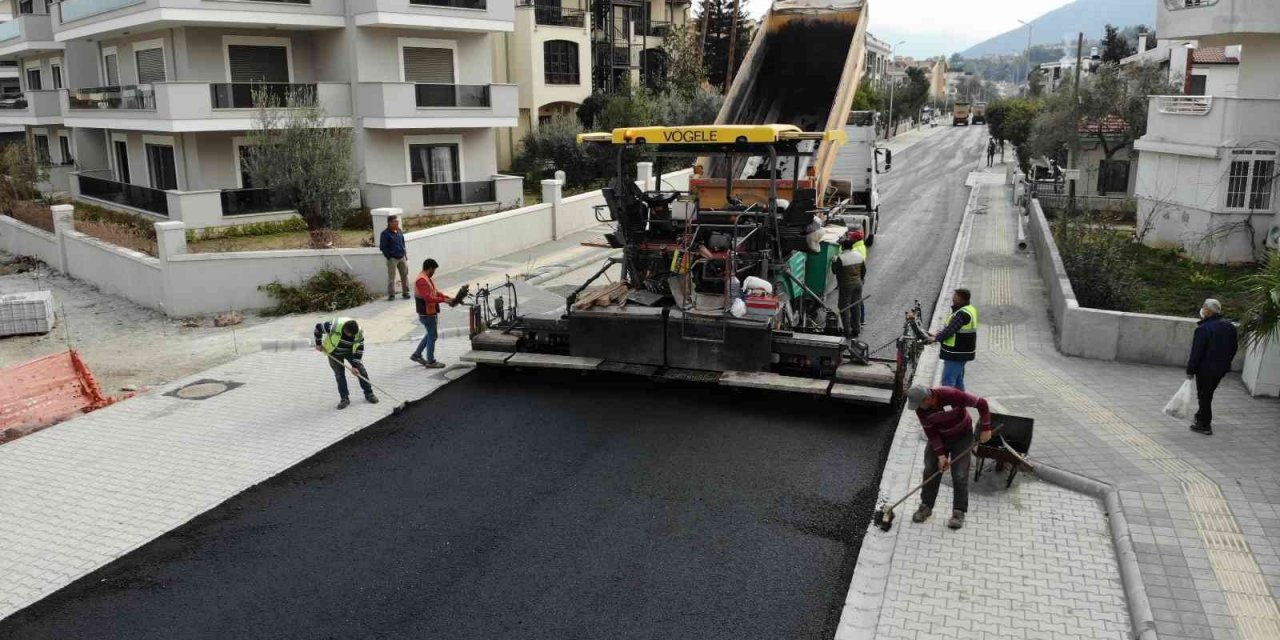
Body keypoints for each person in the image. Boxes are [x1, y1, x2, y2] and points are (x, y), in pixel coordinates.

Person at [905, 385, 993, 530]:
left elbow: (981, 403)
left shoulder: (951, 395)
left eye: (919, 404)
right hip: (940, 437)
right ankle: (926, 506)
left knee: (959, 474)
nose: (917, 408)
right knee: (930, 469)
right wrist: (941, 456)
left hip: (962, 436)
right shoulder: (921, 410)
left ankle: (958, 512)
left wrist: (986, 428)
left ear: (927, 399)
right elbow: (931, 433)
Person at [1187, 298, 1238, 435]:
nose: (1202, 310)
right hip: (1220, 369)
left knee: (1204, 396)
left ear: (1208, 312)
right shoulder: (1230, 327)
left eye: (1203, 307)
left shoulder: (1203, 329)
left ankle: (1204, 425)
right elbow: (1234, 348)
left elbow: (1196, 352)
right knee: (1208, 393)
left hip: (1205, 369)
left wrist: (1190, 371)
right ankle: (1200, 415)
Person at [315, 317, 377, 410]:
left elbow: (359, 349)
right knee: (339, 375)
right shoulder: (333, 326)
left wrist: (355, 366)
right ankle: (344, 399)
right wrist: (318, 343)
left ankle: (369, 394)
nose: (351, 336)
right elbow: (318, 328)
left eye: (353, 335)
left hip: (350, 352)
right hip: (333, 352)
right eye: (349, 334)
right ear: (344, 329)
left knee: (361, 371)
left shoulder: (358, 333)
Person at [412, 258, 458, 368]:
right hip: (426, 313)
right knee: (433, 335)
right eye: (434, 270)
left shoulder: (426, 278)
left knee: (430, 334)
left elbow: (435, 292)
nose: (434, 272)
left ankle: (417, 355)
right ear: (430, 269)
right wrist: (444, 300)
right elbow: (428, 298)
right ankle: (431, 361)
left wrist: (446, 297)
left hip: (429, 312)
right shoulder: (422, 280)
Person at [930, 288, 978, 391]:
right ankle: (961, 405)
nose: (953, 298)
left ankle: (953, 405)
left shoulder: (961, 314)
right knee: (958, 382)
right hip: (963, 353)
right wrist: (938, 334)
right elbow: (952, 328)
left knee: (947, 382)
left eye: (955, 296)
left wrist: (934, 339)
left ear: (961, 298)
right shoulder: (970, 309)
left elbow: (950, 331)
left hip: (956, 354)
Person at [831, 236, 866, 338]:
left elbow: (835, 271)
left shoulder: (841, 258)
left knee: (844, 307)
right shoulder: (858, 256)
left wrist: (833, 262)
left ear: (843, 247)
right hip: (858, 284)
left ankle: (847, 331)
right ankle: (856, 329)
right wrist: (861, 279)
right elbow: (864, 270)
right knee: (856, 306)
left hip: (846, 286)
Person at [380, 215, 409, 301]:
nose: (397, 223)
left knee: (404, 275)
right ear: (390, 223)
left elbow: (402, 243)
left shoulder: (399, 231)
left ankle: (405, 292)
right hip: (392, 259)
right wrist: (389, 257)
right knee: (391, 277)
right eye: (395, 222)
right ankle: (391, 295)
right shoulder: (385, 234)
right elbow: (383, 247)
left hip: (402, 257)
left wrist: (405, 254)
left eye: (397, 221)